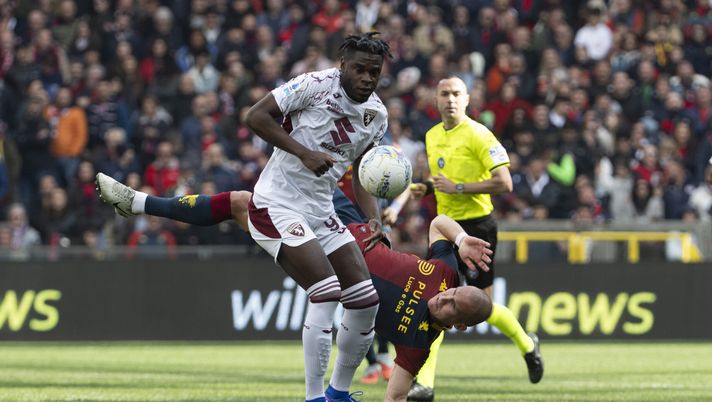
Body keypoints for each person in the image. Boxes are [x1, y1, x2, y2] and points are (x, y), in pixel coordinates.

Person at [99, 32, 393, 402]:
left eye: (374, 72)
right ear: (343, 65)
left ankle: (339, 393)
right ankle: (315, 397)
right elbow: (255, 116)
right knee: (326, 291)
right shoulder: (315, 85)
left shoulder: (377, 115)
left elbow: (364, 171)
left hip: (321, 209)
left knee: (366, 301)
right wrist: (303, 153)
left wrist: (374, 217)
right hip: (277, 202)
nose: (367, 78)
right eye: (360, 69)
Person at [95, 173, 503, 402]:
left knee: (240, 203)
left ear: (457, 326)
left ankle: (139, 203)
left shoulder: (417, 343)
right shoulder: (447, 272)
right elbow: (438, 225)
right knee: (323, 168)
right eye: (451, 293)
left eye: (451, 306)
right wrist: (462, 238)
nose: (443, 296)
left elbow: (394, 396)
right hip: (353, 224)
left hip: (323, 257)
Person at [406, 75, 543, 401]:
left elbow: (505, 183)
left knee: (484, 306)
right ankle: (424, 384)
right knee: (435, 303)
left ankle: (527, 344)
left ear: (467, 99)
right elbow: (443, 178)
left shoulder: (480, 134)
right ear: (436, 100)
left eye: (456, 94)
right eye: (444, 94)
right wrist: (427, 187)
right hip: (444, 227)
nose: (450, 99)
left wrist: (460, 188)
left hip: (478, 227)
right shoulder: (431, 135)